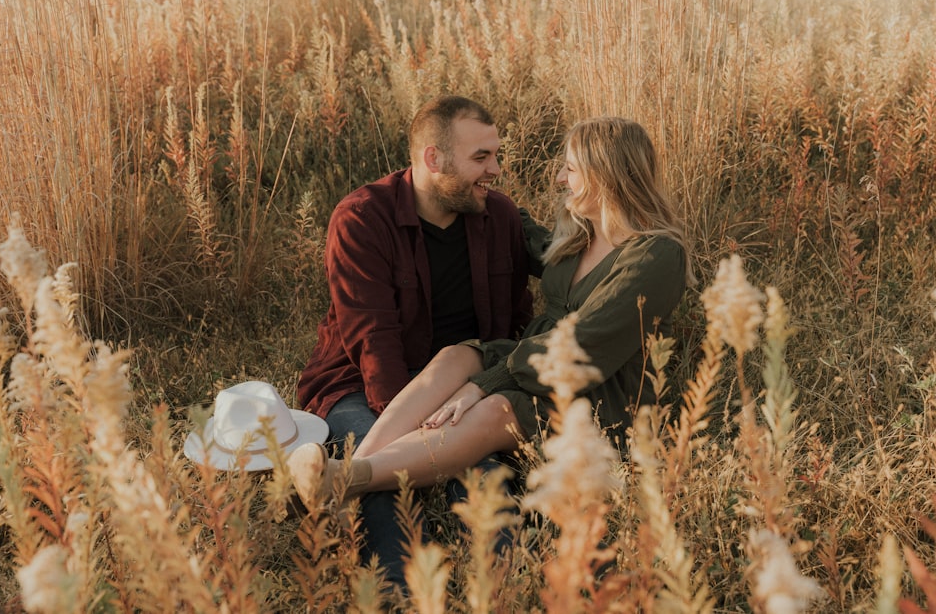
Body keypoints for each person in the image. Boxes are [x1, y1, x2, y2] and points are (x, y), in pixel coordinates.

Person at [287, 116, 693, 505]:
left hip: (594, 393)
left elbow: (584, 343)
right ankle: (346, 471)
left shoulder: (656, 254)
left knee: (495, 408)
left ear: (606, 175)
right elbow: (517, 229)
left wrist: (486, 381)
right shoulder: (580, 238)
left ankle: (350, 480)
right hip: (536, 366)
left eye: (569, 169)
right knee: (456, 356)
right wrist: (443, 187)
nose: (559, 179)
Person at [295, 95, 533, 588]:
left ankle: (509, 585)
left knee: (487, 477)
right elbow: (373, 347)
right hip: (361, 385)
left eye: (495, 154)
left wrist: (471, 410)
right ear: (433, 159)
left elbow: (513, 324)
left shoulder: (501, 216)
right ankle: (406, 590)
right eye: (481, 158)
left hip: (461, 385)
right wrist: (422, 442)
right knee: (377, 477)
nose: (496, 169)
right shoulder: (362, 218)